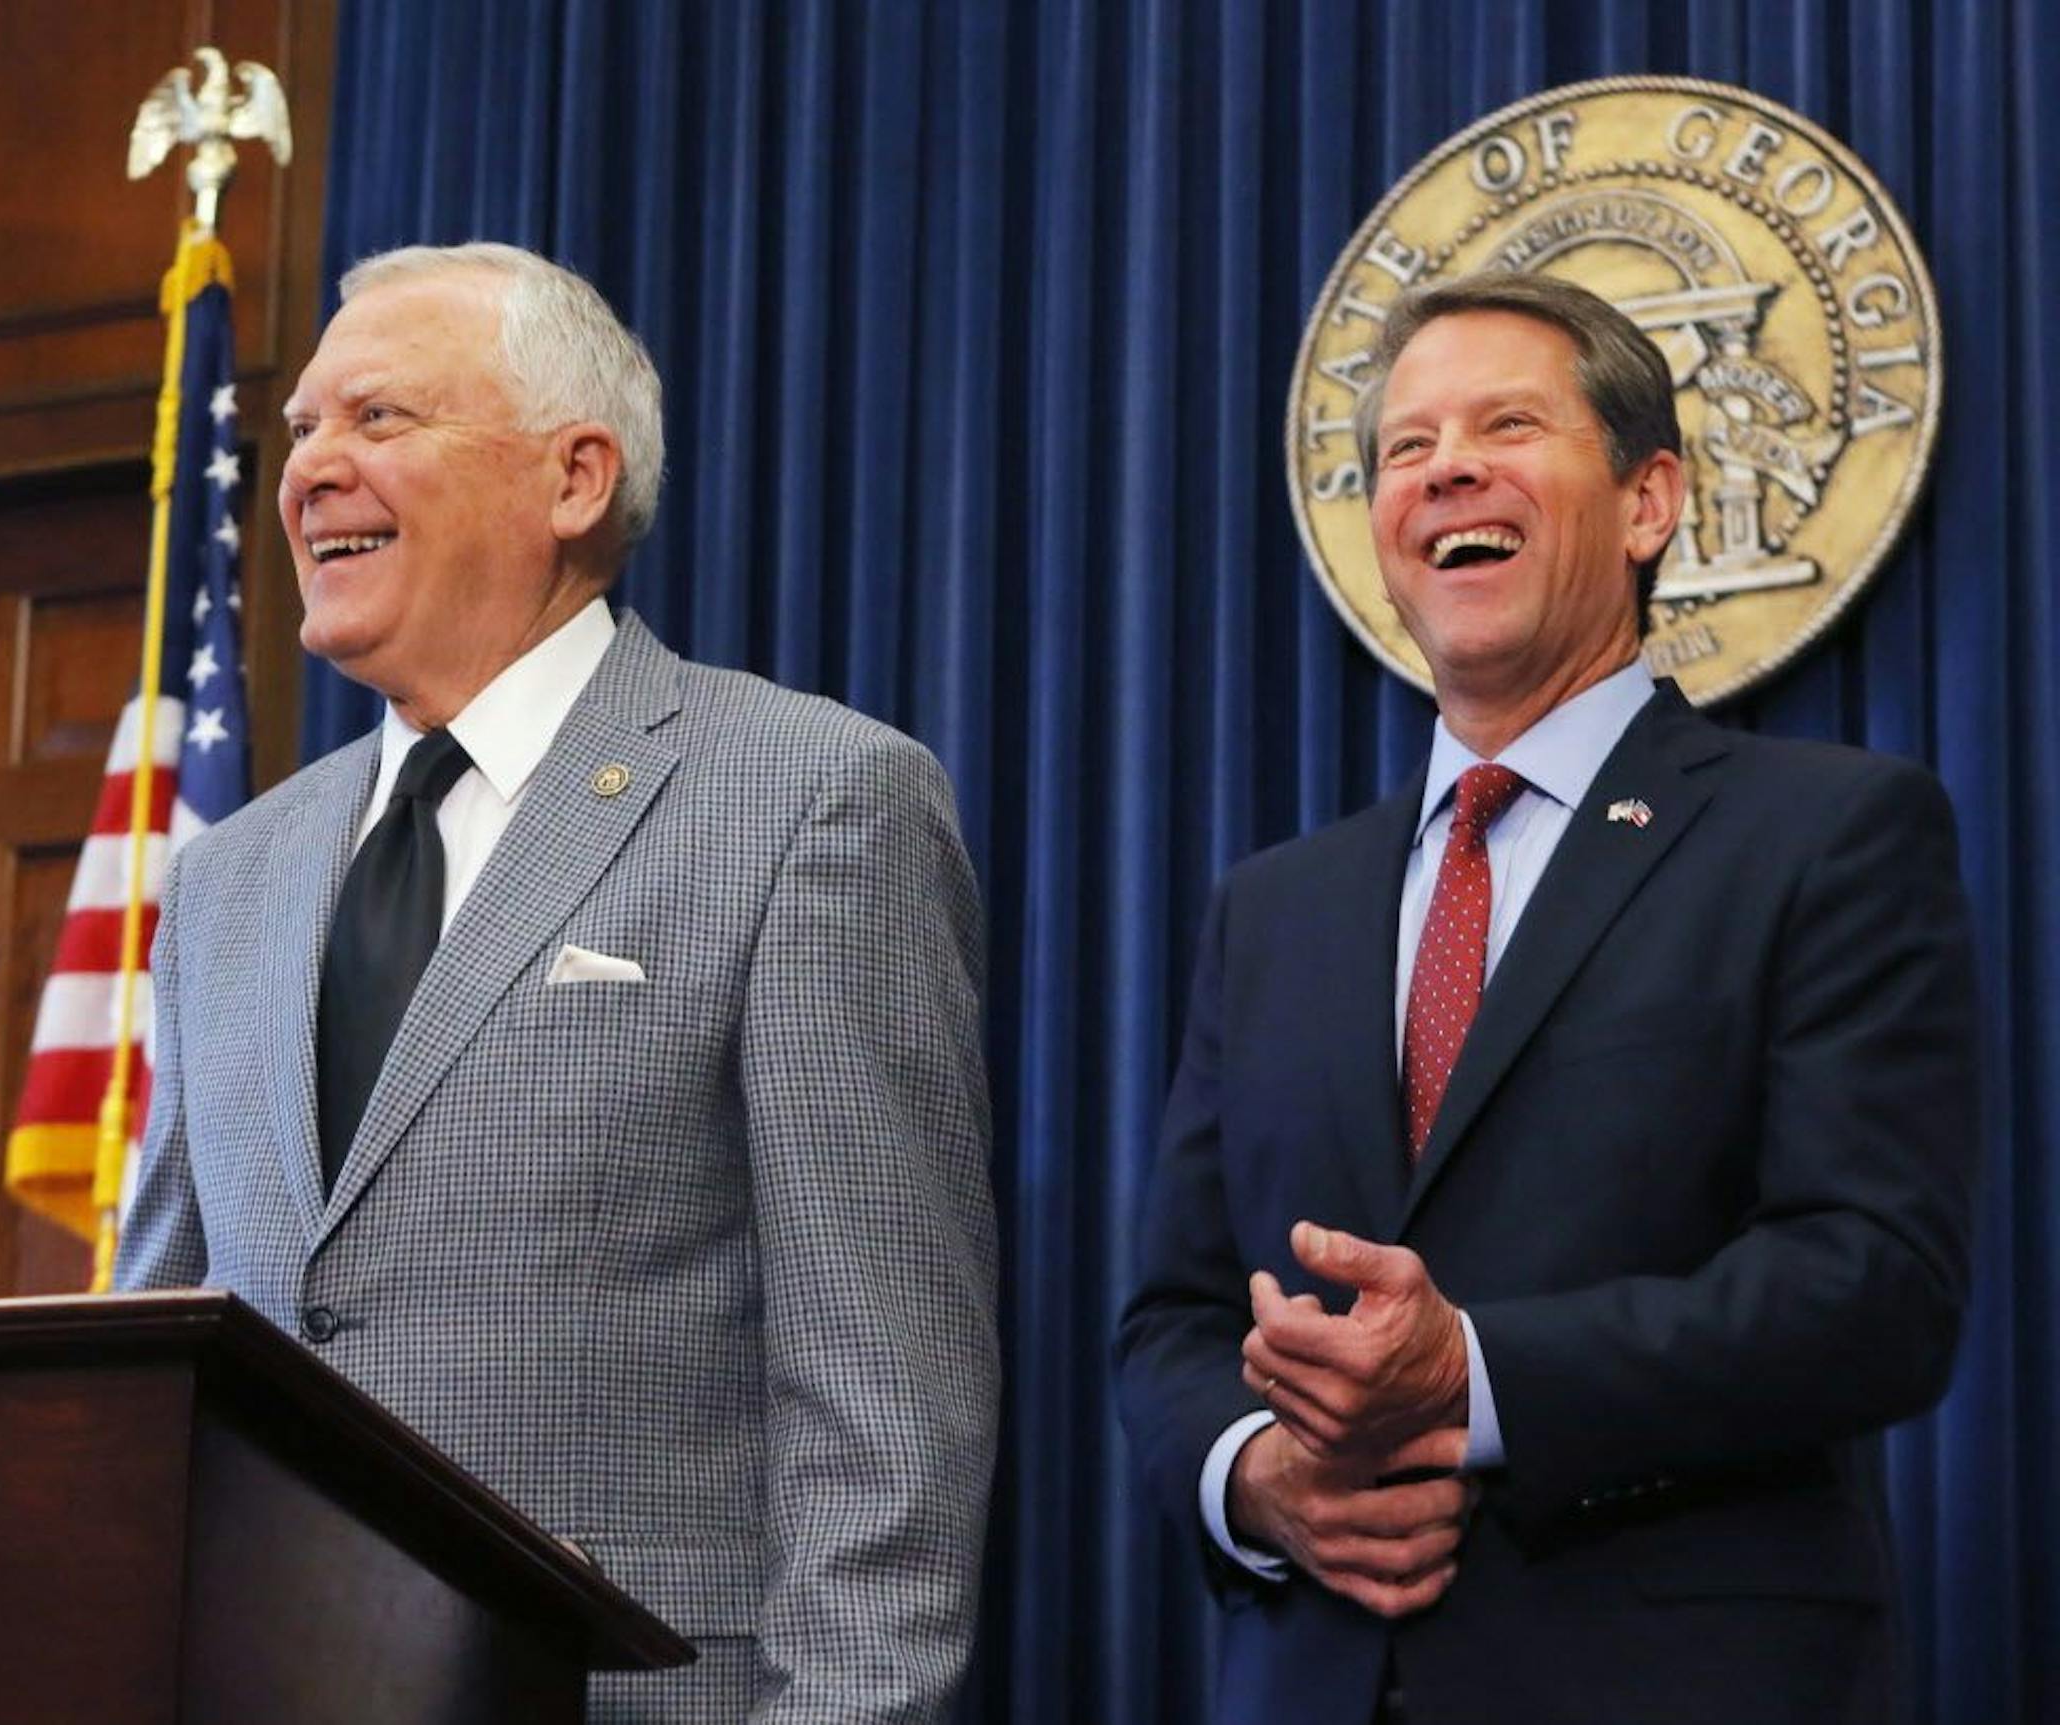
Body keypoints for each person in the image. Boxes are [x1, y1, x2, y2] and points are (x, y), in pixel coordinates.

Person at [117, 242, 999, 1723]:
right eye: (302, 430)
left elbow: (884, 1417)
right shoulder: (229, 875)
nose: (311, 470)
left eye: (378, 420)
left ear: (575, 477)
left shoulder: (812, 801)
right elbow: (164, 1356)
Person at [1115, 272, 1978, 1725]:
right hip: (1315, 1677)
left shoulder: (1829, 833)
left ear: (1648, 506)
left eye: (1507, 424)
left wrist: (1478, 1368)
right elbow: (1174, 1321)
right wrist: (1258, 1481)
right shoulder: (1274, 905)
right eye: (1405, 446)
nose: (1446, 464)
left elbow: (1879, 1284)